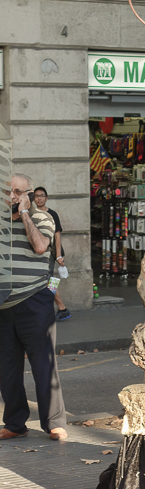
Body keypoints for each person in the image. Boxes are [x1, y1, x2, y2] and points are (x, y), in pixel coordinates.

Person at [0, 173, 68, 441]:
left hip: (36, 301)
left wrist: (25, 214)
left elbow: (41, 246)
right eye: (10, 192)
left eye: (19, 192)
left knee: (43, 365)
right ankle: (15, 423)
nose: (14, 196)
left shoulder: (43, 218)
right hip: (4, 305)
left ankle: (53, 422)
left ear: (28, 195)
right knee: (7, 368)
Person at [34, 186, 71, 321]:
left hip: (50, 252)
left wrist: (59, 255)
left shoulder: (52, 214)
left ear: (46, 198)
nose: (39, 198)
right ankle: (60, 309)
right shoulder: (31, 215)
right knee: (45, 281)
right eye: (37, 196)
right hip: (37, 253)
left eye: (42, 195)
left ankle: (62, 308)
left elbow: (57, 236)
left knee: (49, 280)